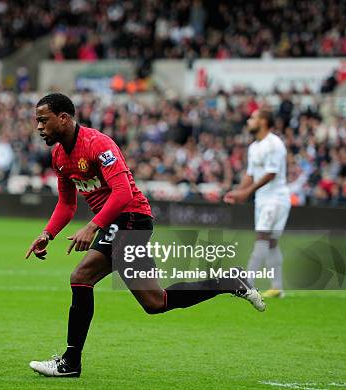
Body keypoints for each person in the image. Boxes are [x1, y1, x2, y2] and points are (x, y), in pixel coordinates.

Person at [26, 93, 265, 378]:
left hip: (131, 217)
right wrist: (47, 234)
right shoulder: (59, 157)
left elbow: (124, 192)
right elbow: (67, 204)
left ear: (63, 118)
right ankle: (228, 281)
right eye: (37, 121)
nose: (39, 127)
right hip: (116, 222)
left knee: (81, 277)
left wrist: (92, 226)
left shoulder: (97, 143)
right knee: (155, 302)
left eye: (44, 120)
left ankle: (70, 362)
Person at [224, 108, 291, 298]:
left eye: (253, 118)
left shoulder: (274, 144)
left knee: (262, 237)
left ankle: (247, 284)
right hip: (263, 199)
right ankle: (277, 287)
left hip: (275, 199)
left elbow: (271, 173)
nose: (248, 121)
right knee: (271, 243)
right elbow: (251, 174)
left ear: (263, 121)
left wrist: (247, 192)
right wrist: (238, 192)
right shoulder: (254, 147)